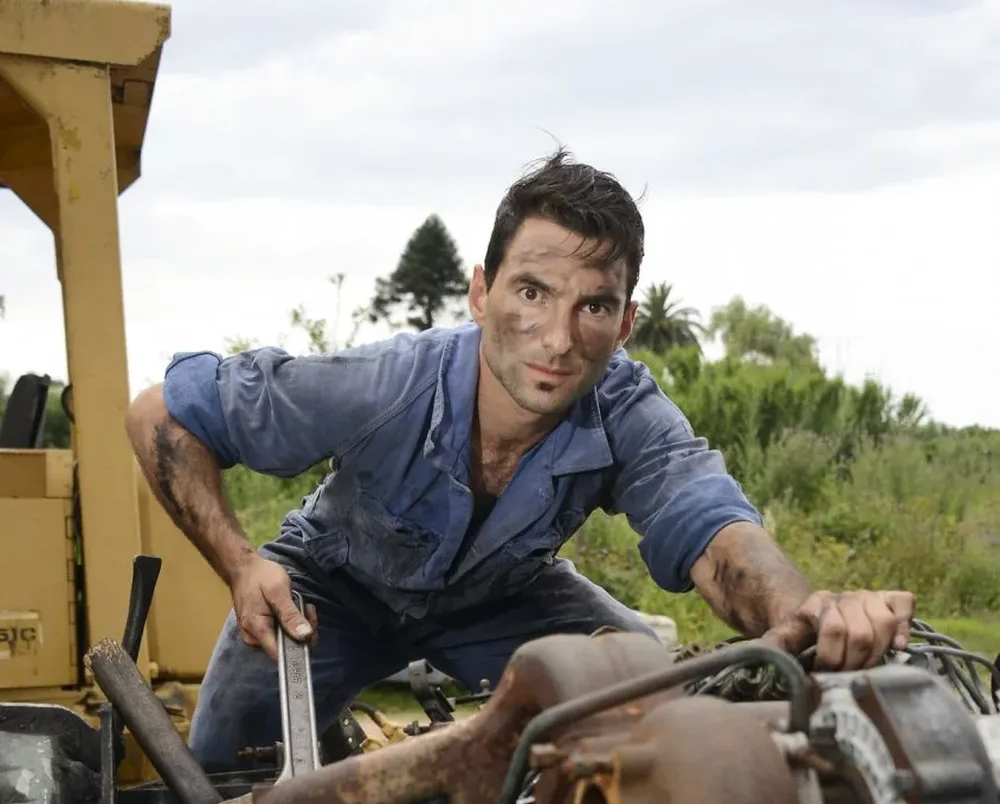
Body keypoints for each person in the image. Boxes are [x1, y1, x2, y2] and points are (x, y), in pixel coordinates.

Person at [126, 150, 914, 769]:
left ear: (627, 320)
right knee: (214, 778)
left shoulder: (628, 411)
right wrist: (238, 562)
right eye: (533, 292)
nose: (560, 337)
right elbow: (159, 413)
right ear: (481, 291)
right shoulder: (384, 384)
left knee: (658, 697)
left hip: (504, 597)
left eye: (594, 306)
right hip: (328, 592)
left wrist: (804, 613)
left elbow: (715, 533)